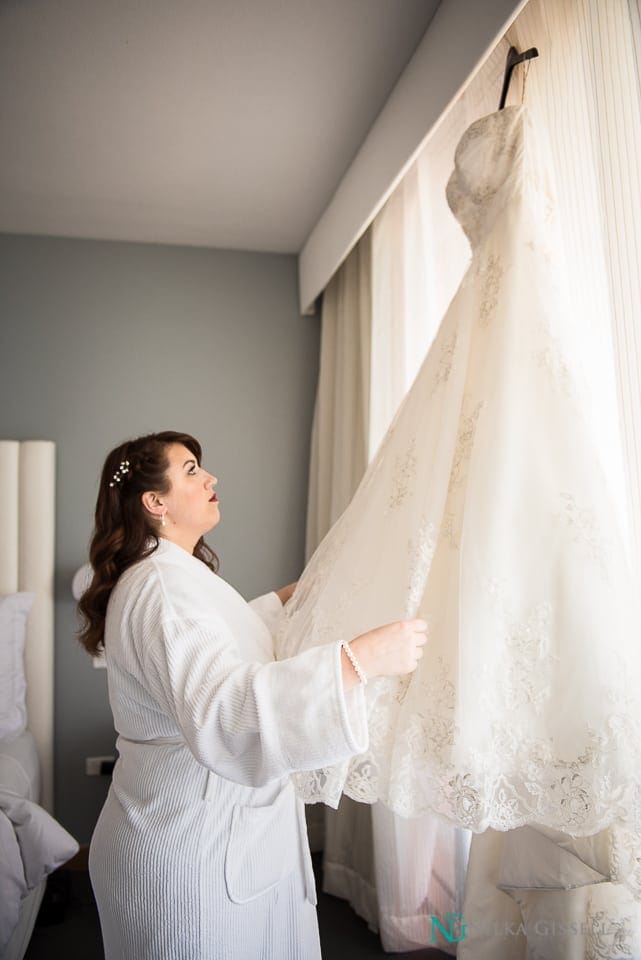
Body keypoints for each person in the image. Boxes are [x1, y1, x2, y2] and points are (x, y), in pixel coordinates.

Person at [78, 430, 427, 960]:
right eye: (191, 469)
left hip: (209, 837)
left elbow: (232, 636)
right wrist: (359, 660)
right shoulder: (162, 588)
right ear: (155, 502)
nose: (210, 478)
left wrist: (306, 593)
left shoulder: (175, 575)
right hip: (188, 858)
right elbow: (224, 710)